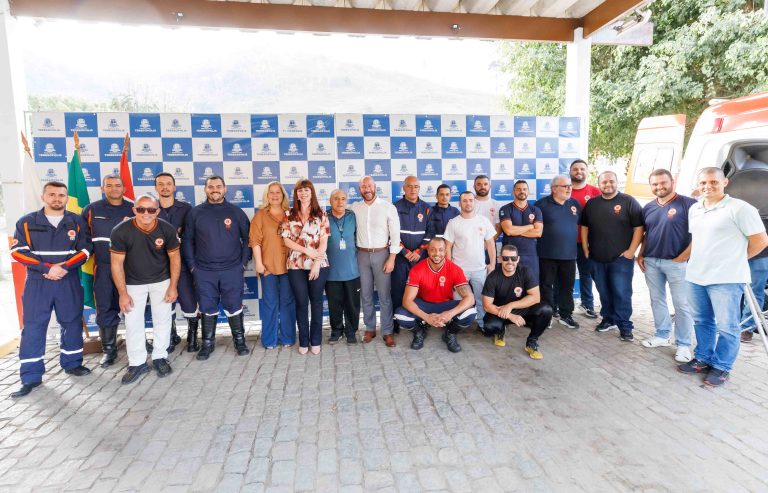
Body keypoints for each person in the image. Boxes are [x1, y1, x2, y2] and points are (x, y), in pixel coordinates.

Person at [678, 167, 768, 386]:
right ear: (698, 185)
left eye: (713, 182)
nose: (708, 186)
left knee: (728, 326)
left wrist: (736, 259)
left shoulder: (740, 208)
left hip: (726, 279)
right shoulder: (695, 208)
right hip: (696, 276)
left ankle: (722, 366)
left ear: (724, 182)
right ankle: (703, 358)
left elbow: (761, 241)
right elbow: (698, 239)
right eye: (703, 183)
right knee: (702, 321)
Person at [10, 182, 92, 398]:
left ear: (66, 198)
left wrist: (63, 268)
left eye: (61, 195)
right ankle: (30, 376)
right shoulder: (27, 222)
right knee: (33, 327)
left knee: (71, 322)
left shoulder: (77, 221)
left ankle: (73, 363)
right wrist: (47, 268)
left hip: (68, 279)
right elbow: (17, 252)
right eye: (52, 194)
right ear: (43, 197)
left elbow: (85, 250)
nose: (57, 198)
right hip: (38, 282)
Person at [110, 194, 181, 384]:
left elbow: (175, 259)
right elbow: (116, 264)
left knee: (163, 320)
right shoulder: (121, 230)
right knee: (133, 322)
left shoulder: (167, 229)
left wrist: (173, 286)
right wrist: (123, 293)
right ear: (134, 210)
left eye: (151, 209)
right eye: (141, 209)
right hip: (133, 284)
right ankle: (137, 362)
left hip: (162, 281)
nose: (146, 213)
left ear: (157, 211)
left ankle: (160, 357)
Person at [183, 176, 251, 360]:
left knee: (234, 305)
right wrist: (192, 266)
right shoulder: (195, 213)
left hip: (232, 269)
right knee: (207, 307)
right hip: (204, 270)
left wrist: (243, 263)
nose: (215, 190)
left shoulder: (236, 212)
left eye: (218, 186)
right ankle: (207, 344)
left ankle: (240, 341)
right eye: (211, 186)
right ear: (205, 189)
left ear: (225, 189)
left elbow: (248, 239)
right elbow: (187, 240)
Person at [636, 169, 696, 362]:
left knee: (682, 304)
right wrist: (641, 253)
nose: (659, 187)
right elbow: (647, 233)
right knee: (657, 300)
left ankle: (684, 344)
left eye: (663, 183)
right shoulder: (648, 207)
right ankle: (662, 335)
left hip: (677, 263)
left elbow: (700, 234)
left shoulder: (689, 204)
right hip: (652, 261)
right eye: (655, 184)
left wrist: (684, 256)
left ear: (672, 182)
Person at [580, 170, 644, 342]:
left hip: (621, 260)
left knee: (621, 292)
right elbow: (584, 226)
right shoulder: (592, 204)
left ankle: (625, 326)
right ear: (599, 184)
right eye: (604, 182)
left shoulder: (628, 201)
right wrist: (585, 247)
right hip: (596, 258)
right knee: (603, 291)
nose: (608, 184)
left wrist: (631, 252)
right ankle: (608, 319)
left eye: (611, 181)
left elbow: (639, 228)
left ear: (616, 182)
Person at [82, 174, 135, 367]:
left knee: (134, 308)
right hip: (103, 268)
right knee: (105, 307)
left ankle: (136, 345)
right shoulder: (91, 210)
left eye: (118, 185)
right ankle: (109, 350)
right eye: (109, 185)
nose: (114, 188)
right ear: (102, 188)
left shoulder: (134, 208)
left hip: (131, 269)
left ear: (124, 188)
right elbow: (84, 239)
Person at [394, 238, 477, 353]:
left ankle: (450, 333)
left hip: (445, 305)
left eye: (441, 250)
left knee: (470, 312)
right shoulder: (417, 269)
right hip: (424, 305)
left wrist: (449, 314)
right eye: (433, 249)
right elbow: (407, 301)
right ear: (428, 251)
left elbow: (470, 298)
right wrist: (426, 317)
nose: (437, 253)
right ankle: (419, 331)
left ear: (446, 251)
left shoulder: (455, 269)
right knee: (400, 315)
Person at [282, 179, 330, 355]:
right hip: (295, 264)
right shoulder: (289, 214)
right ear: (296, 194)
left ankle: (315, 340)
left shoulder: (321, 214)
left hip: (319, 264)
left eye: (306, 190)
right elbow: (286, 240)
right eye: (300, 191)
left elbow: (324, 241)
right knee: (301, 302)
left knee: (316, 302)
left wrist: (316, 264)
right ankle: (303, 341)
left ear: (312, 193)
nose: (303, 193)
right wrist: (306, 251)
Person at [350, 176, 399, 347]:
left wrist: (392, 258)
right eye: (363, 187)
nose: (367, 189)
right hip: (361, 255)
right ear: (360, 189)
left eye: (369, 186)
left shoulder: (388, 207)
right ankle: (370, 328)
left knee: (385, 295)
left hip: (382, 255)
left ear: (375, 187)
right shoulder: (354, 208)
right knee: (366, 294)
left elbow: (395, 235)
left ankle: (387, 331)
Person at [482, 244, 553, 357]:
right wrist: (510, 315)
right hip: (501, 311)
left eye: (513, 258)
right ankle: (500, 330)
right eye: (506, 258)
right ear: (500, 259)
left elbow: (535, 297)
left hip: (521, 309)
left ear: (518, 259)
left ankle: (532, 341)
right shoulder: (493, 277)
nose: (510, 261)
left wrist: (510, 305)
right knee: (489, 327)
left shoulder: (526, 271)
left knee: (546, 310)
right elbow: (487, 305)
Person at [250, 181, 296, 349]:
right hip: (268, 267)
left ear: (283, 195)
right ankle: (269, 340)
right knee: (270, 303)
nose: (275, 195)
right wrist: (259, 264)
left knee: (287, 302)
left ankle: (288, 338)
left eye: (278, 192)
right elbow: (255, 241)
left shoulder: (291, 214)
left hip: (290, 266)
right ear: (267, 195)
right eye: (271, 192)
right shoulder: (260, 216)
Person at [155, 172, 197, 352]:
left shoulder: (186, 209)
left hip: (182, 263)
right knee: (164, 302)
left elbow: (191, 236)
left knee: (189, 300)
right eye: (161, 184)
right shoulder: (151, 208)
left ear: (174, 187)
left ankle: (193, 336)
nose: (165, 187)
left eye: (168, 184)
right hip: (158, 265)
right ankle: (171, 336)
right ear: (156, 187)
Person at [443, 191, 496, 332]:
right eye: (465, 200)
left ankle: (482, 325)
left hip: (480, 269)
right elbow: (447, 247)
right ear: (459, 203)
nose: (468, 203)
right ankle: (456, 326)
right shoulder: (453, 223)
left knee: (481, 299)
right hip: (459, 270)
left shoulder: (483, 221)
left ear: (474, 202)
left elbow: (490, 243)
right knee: (458, 300)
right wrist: (450, 268)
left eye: (471, 200)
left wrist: (492, 264)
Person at [534, 175, 581, 330]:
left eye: (570, 186)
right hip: (547, 255)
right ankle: (547, 315)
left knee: (567, 287)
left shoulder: (574, 204)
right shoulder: (541, 205)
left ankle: (566, 315)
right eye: (565, 186)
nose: (569, 189)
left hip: (569, 255)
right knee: (546, 286)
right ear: (554, 189)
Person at [392, 175, 431, 336]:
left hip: (420, 258)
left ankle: (421, 321)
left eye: (416, 186)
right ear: (404, 188)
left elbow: (430, 233)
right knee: (398, 289)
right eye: (409, 186)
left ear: (419, 188)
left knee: (420, 290)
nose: (413, 189)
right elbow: (391, 233)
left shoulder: (427, 208)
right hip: (401, 258)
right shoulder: (395, 207)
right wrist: (405, 252)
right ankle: (396, 321)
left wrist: (419, 251)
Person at [326, 189, 361, 344]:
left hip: (352, 270)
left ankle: (351, 331)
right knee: (334, 304)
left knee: (352, 304)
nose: (340, 202)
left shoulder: (353, 216)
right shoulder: (324, 217)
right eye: (336, 198)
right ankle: (336, 331)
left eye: (343, 198)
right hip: (331, 272)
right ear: (330, 201)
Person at [569, 159, 601, 318]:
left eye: (582, 169)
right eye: (575, 169)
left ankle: (587, 304)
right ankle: (563, 305)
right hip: (566, 242)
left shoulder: (595, 191)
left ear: (587, 171)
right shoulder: (565, 190)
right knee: (564, 275)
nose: (579, 171)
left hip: (587, 243)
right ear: (570, 172)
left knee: (586, 274)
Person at [499, 180, 543, 280]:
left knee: (532, 284)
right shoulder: (505, 209)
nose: (522, 191)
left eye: (524, 189)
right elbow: (509, 231)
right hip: (510, 255)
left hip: (530, 254)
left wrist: (516, 231)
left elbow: (538, 233)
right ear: (513, 192)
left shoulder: (536, 210)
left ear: (528, 191)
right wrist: (530, 226)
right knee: (510, 284)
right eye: (518, 189)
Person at [740, 216, 768, 343]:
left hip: (762, 253)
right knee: (733, 290)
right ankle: (735, 324)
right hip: (737, 251)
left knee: (755, 291)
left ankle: (747, 328)